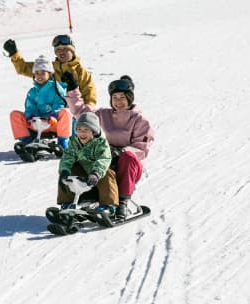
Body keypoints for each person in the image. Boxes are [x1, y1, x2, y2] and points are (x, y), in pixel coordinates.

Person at [62, 73, 155, 219]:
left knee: (127, 157)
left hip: (129, 165)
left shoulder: (140, 120)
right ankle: (82, 199)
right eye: (115, 98)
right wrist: (73, 89)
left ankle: (122, 202)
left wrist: (122, 151)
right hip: (106, 159)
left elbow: (142, 147)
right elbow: (80, 113)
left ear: (130, 98)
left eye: (122, 98)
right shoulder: (103, 114)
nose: (118, 101)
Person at [3, 34, 97, 106]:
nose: (61, 52)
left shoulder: (81, 72)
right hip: (52, 113)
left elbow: (89, 94)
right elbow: (23, 68)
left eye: (65, 49)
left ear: (72, 51)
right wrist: (14, 53)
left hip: (74, 113)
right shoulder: (49, 68)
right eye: (58, 50)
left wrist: (86, 115)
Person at [57, 112, 119, 211]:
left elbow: (104, 158)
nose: (82, 133)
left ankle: (108, 205)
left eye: (86, 130)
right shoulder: (74, 142)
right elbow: (67, 157)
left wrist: (96, 173)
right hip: (83, 172)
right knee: (67, 172)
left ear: (93, 131)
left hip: (97, 173)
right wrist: (64, 171)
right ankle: (67, 202)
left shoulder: (101, 143)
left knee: (107, 174)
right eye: (79, 130)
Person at [10, 55, 72, 149]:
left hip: (52, 123)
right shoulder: (32, 92)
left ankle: (63, 142)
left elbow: (59, 104)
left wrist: (53, 116)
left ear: (50, 74)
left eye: (43, 73)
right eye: (37, 73)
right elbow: (30, 107)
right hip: (36, 123)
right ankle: (27, 141)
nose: (39, 76)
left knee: (66, 112)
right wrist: (32, 118)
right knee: (15, 115)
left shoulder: (57, 88)